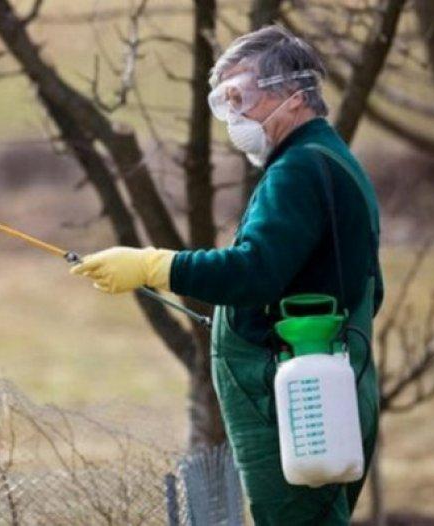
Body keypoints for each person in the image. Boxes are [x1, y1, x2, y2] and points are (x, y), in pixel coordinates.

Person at [70, 25, 383, 525]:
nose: (234, 116)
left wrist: (154, 265)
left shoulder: (299, 170)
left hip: (296, 402)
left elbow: (253, 272)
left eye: (242, 97)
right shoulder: (325, 159)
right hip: (323, 388)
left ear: (294, 95)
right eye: (225, 101)